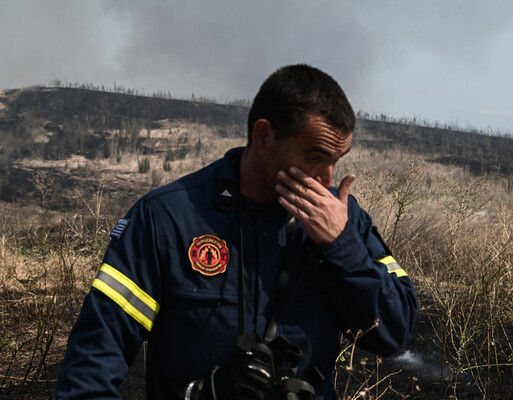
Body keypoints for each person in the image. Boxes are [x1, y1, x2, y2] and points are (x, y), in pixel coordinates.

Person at [56, 64, 418, 399]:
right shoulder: (167, 219)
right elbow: (93, 362)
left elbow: (393, 334)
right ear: (263, 136)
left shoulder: (341, 218)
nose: (326, 179)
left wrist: (342, 247)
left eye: (336, 161)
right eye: (314, 157)